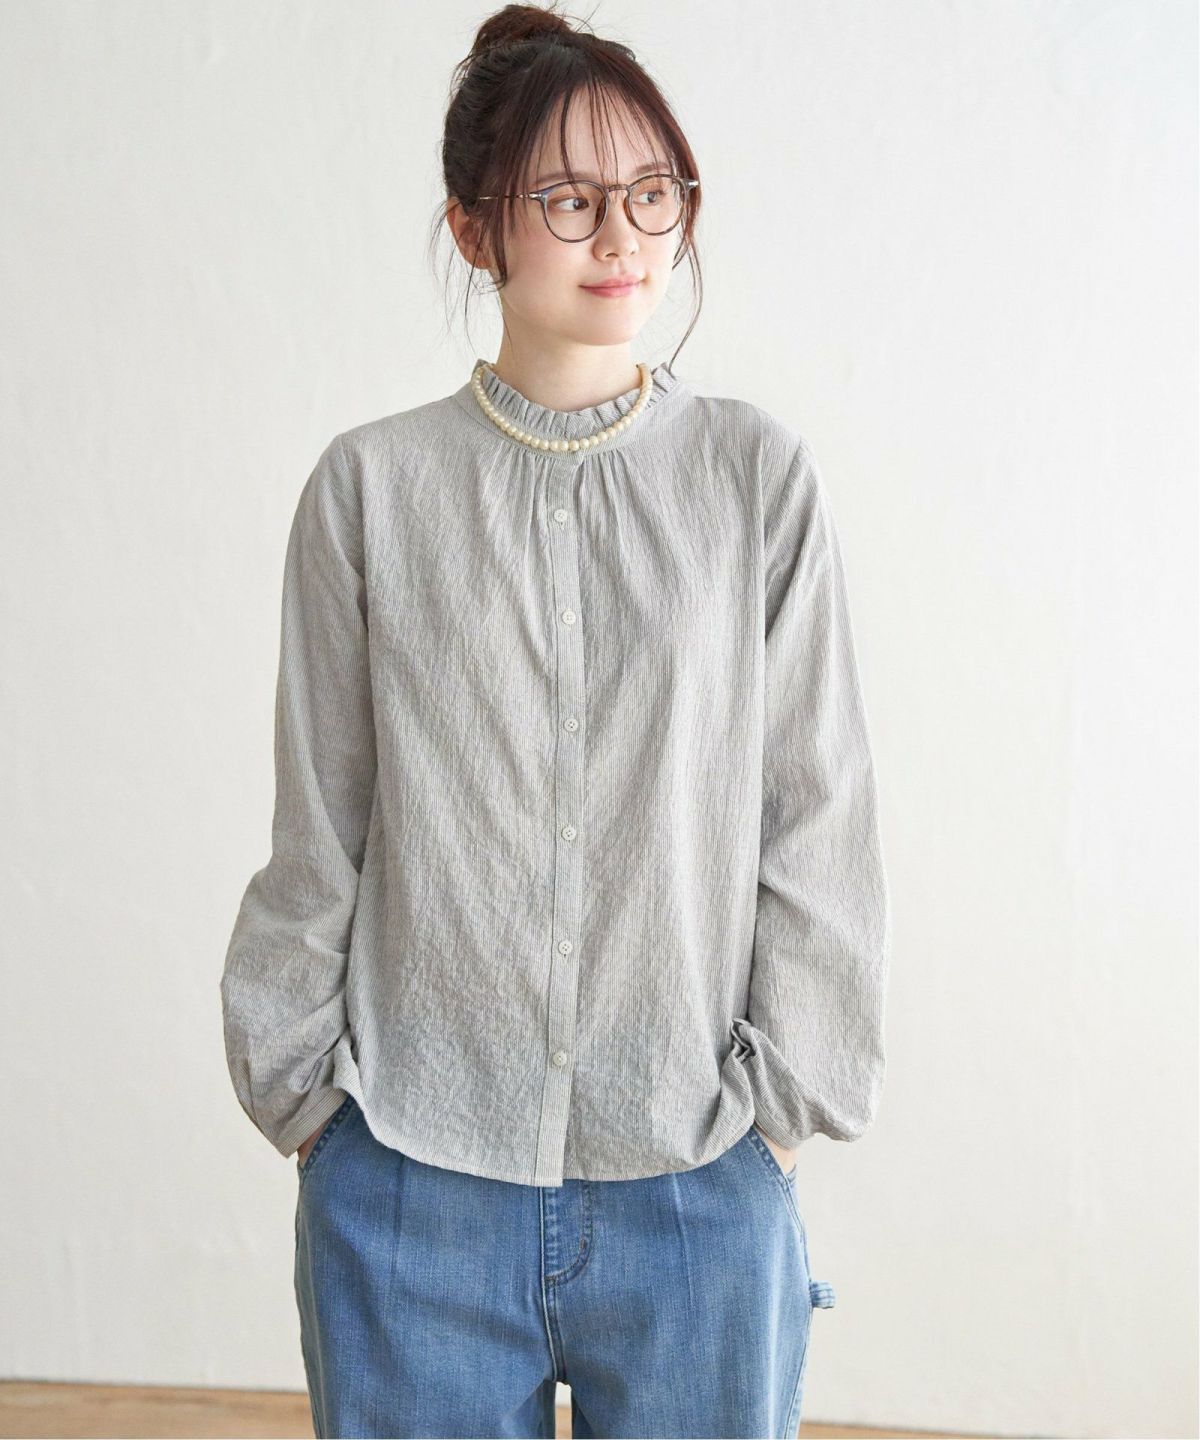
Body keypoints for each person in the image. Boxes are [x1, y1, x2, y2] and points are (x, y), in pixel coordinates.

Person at [220, 4, 890, 1436]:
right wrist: (313, 1116)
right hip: (411, 1184)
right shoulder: (369, 491)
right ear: (477, 230)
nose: (623, 235)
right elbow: (322, 820)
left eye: (653, 192)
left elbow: (818, 816)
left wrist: (776, 1127)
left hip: (699, 1182)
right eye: (569, 200)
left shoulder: (756, 481)